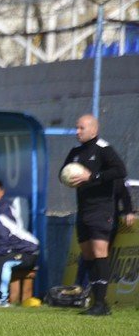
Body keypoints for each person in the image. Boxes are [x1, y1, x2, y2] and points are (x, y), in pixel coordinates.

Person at [61, 114, 127, 316]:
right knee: (88, 254)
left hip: (102, 208)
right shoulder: (75, 152)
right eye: (76, 128)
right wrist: (69, 178)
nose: (77, 131)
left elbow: (120, 170)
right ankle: (97, 302)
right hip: (84, 209)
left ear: (93, 129)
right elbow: (62, 173)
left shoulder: (103, 149)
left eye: (81, 128)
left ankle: (100, 302)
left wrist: (93, 176)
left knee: (99, 252)